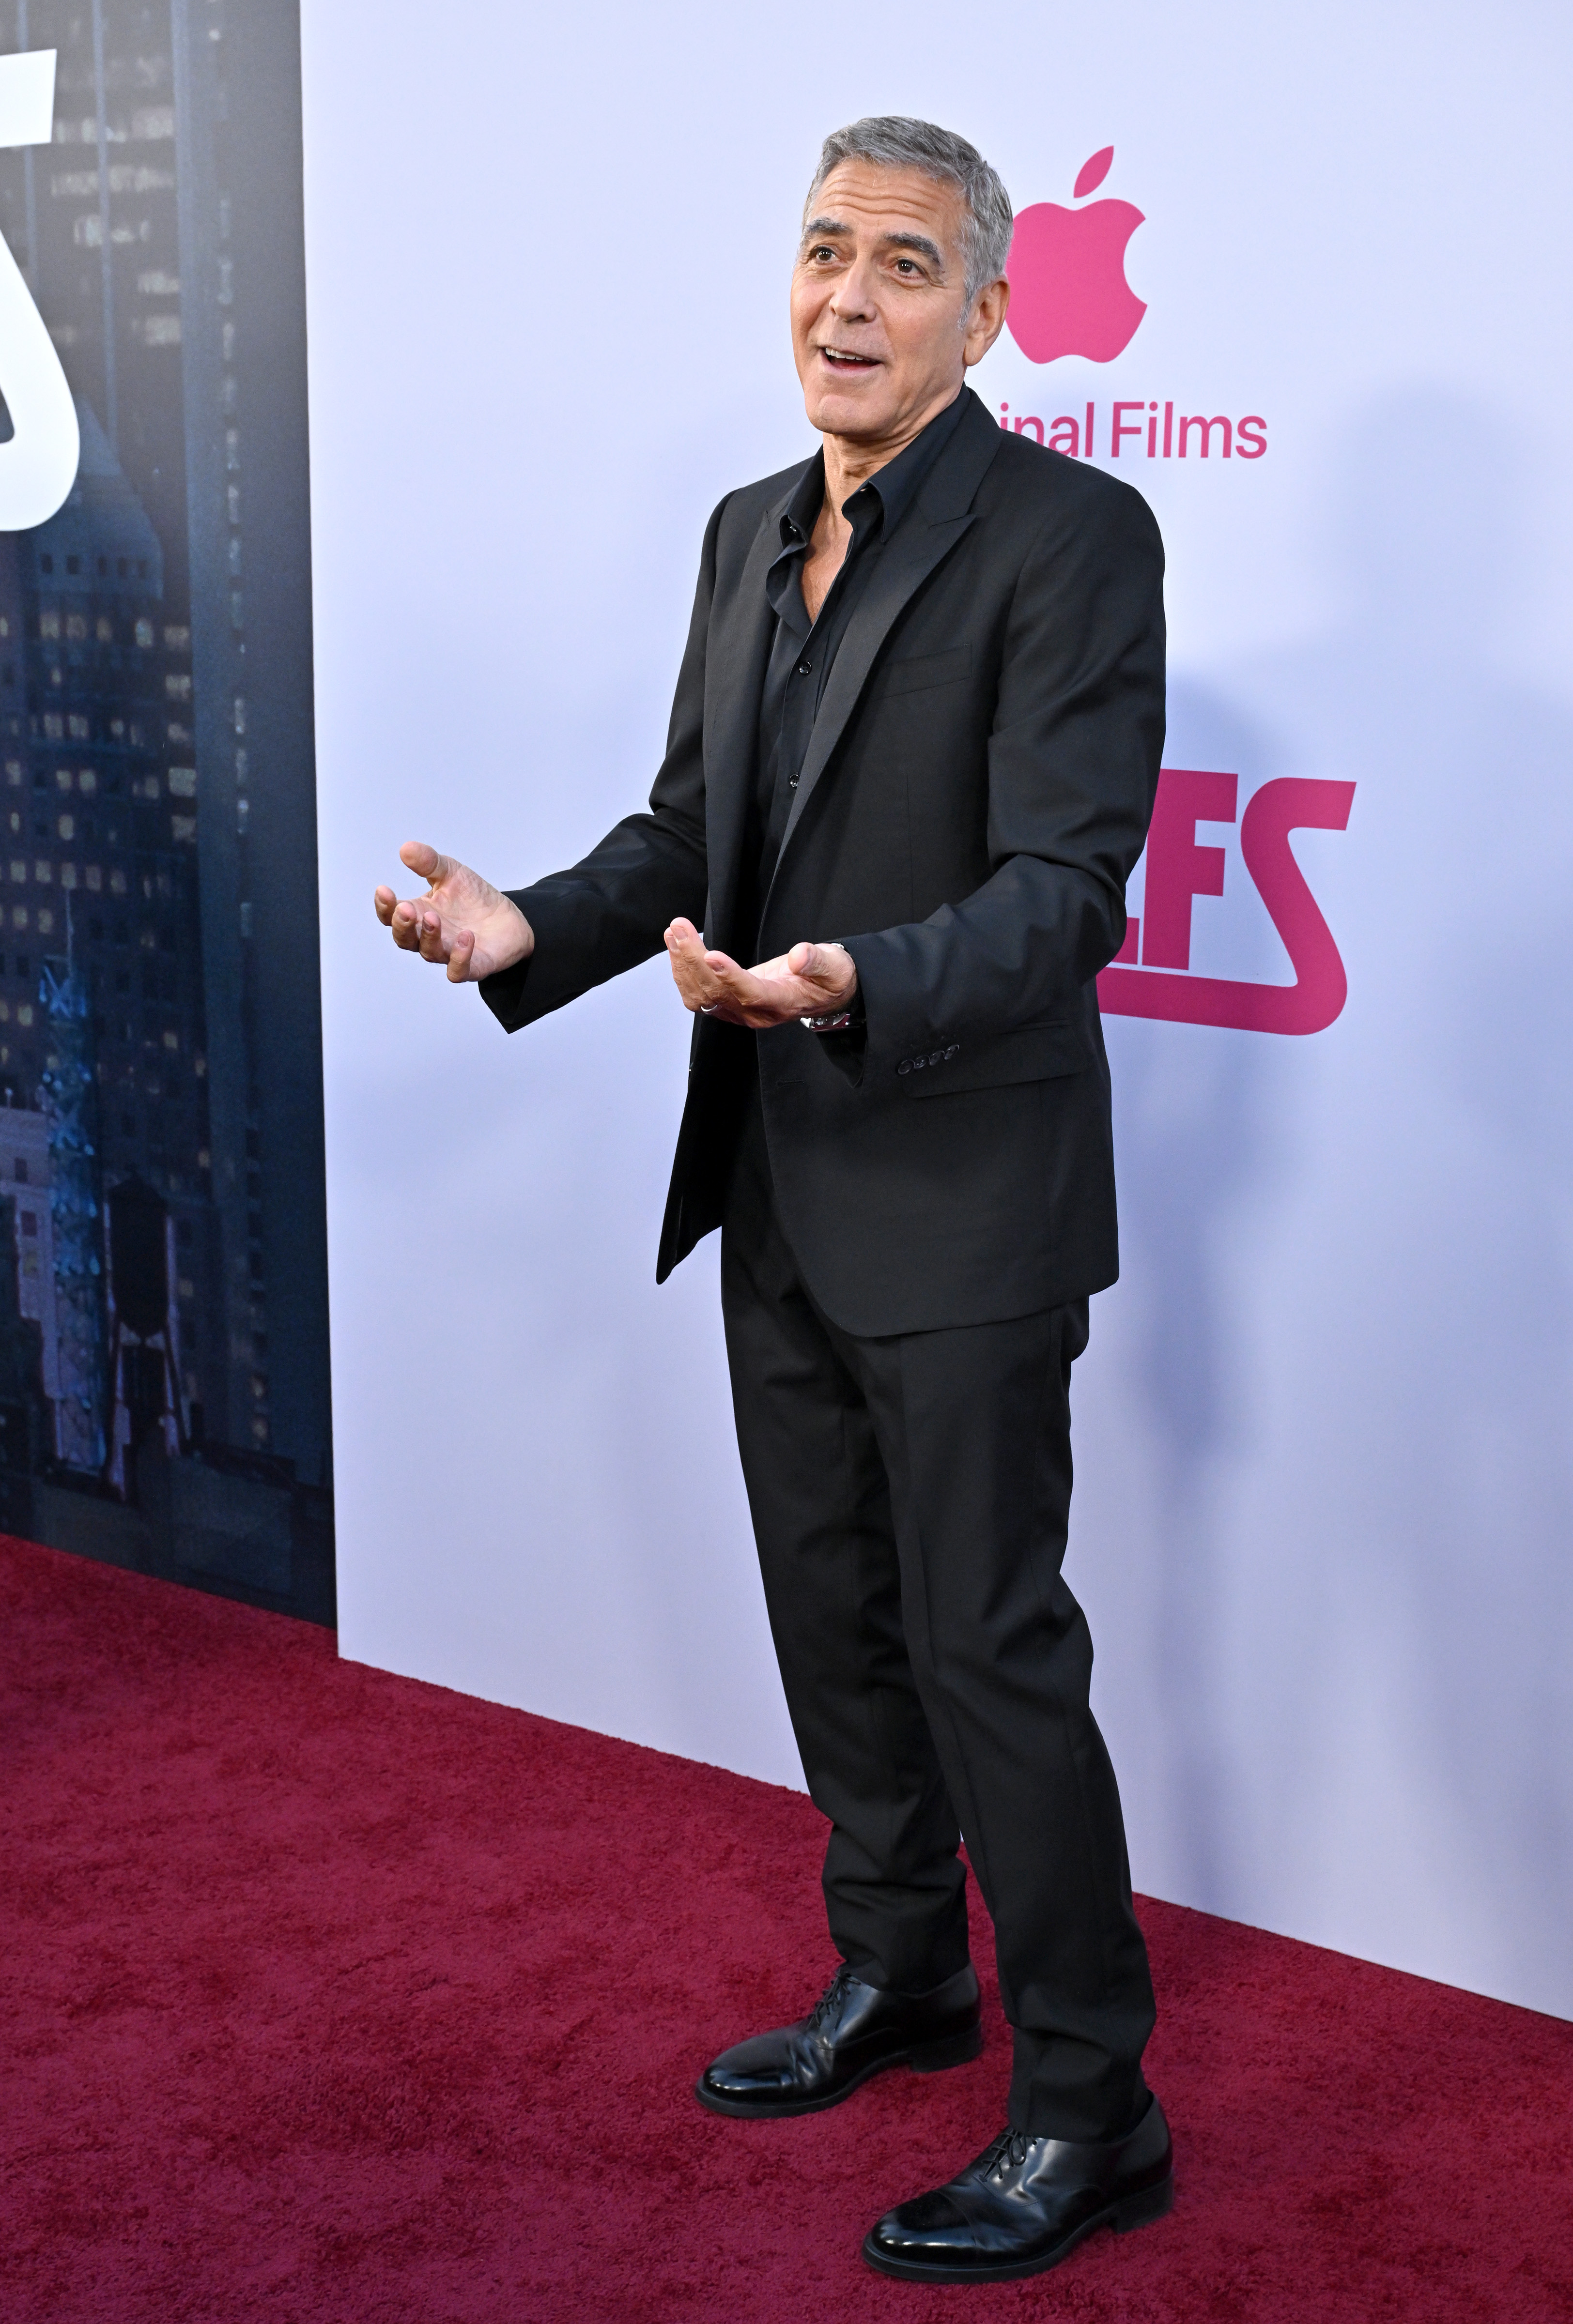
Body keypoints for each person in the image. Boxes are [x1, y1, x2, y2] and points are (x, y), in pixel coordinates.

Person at [373, 115, 1170, 2285]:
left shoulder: (1072, 534)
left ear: (989, 312)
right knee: (833, 1622)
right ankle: (901, 1979)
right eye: (820, 252)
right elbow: (685, 830)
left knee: (990, 1648)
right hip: (775, 1184)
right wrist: (527, 930)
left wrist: (852, 983)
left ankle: (1091, 2104)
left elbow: (1064, 891)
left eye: (903, 264)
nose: (846, 297)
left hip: (965, 1190)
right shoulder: (743, 530)